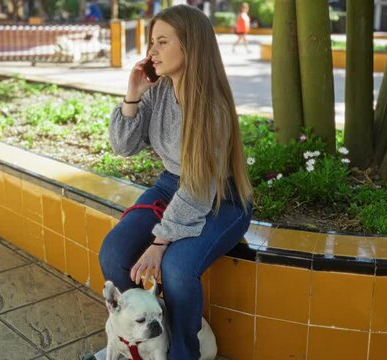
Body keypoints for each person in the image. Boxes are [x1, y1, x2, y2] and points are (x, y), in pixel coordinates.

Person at [93, 4, 253, 360]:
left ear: (191, 47)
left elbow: (199, 187)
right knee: (114, 252)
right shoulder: (159, 89)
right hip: (172, 186)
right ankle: (135, 342)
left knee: (177, 269)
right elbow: (124, 146)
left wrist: (161, 240)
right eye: (152, 42)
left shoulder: (212, 107)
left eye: (162, 42)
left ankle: (182, 353)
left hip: (221, 198)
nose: (152, 51)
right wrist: (133, 93)